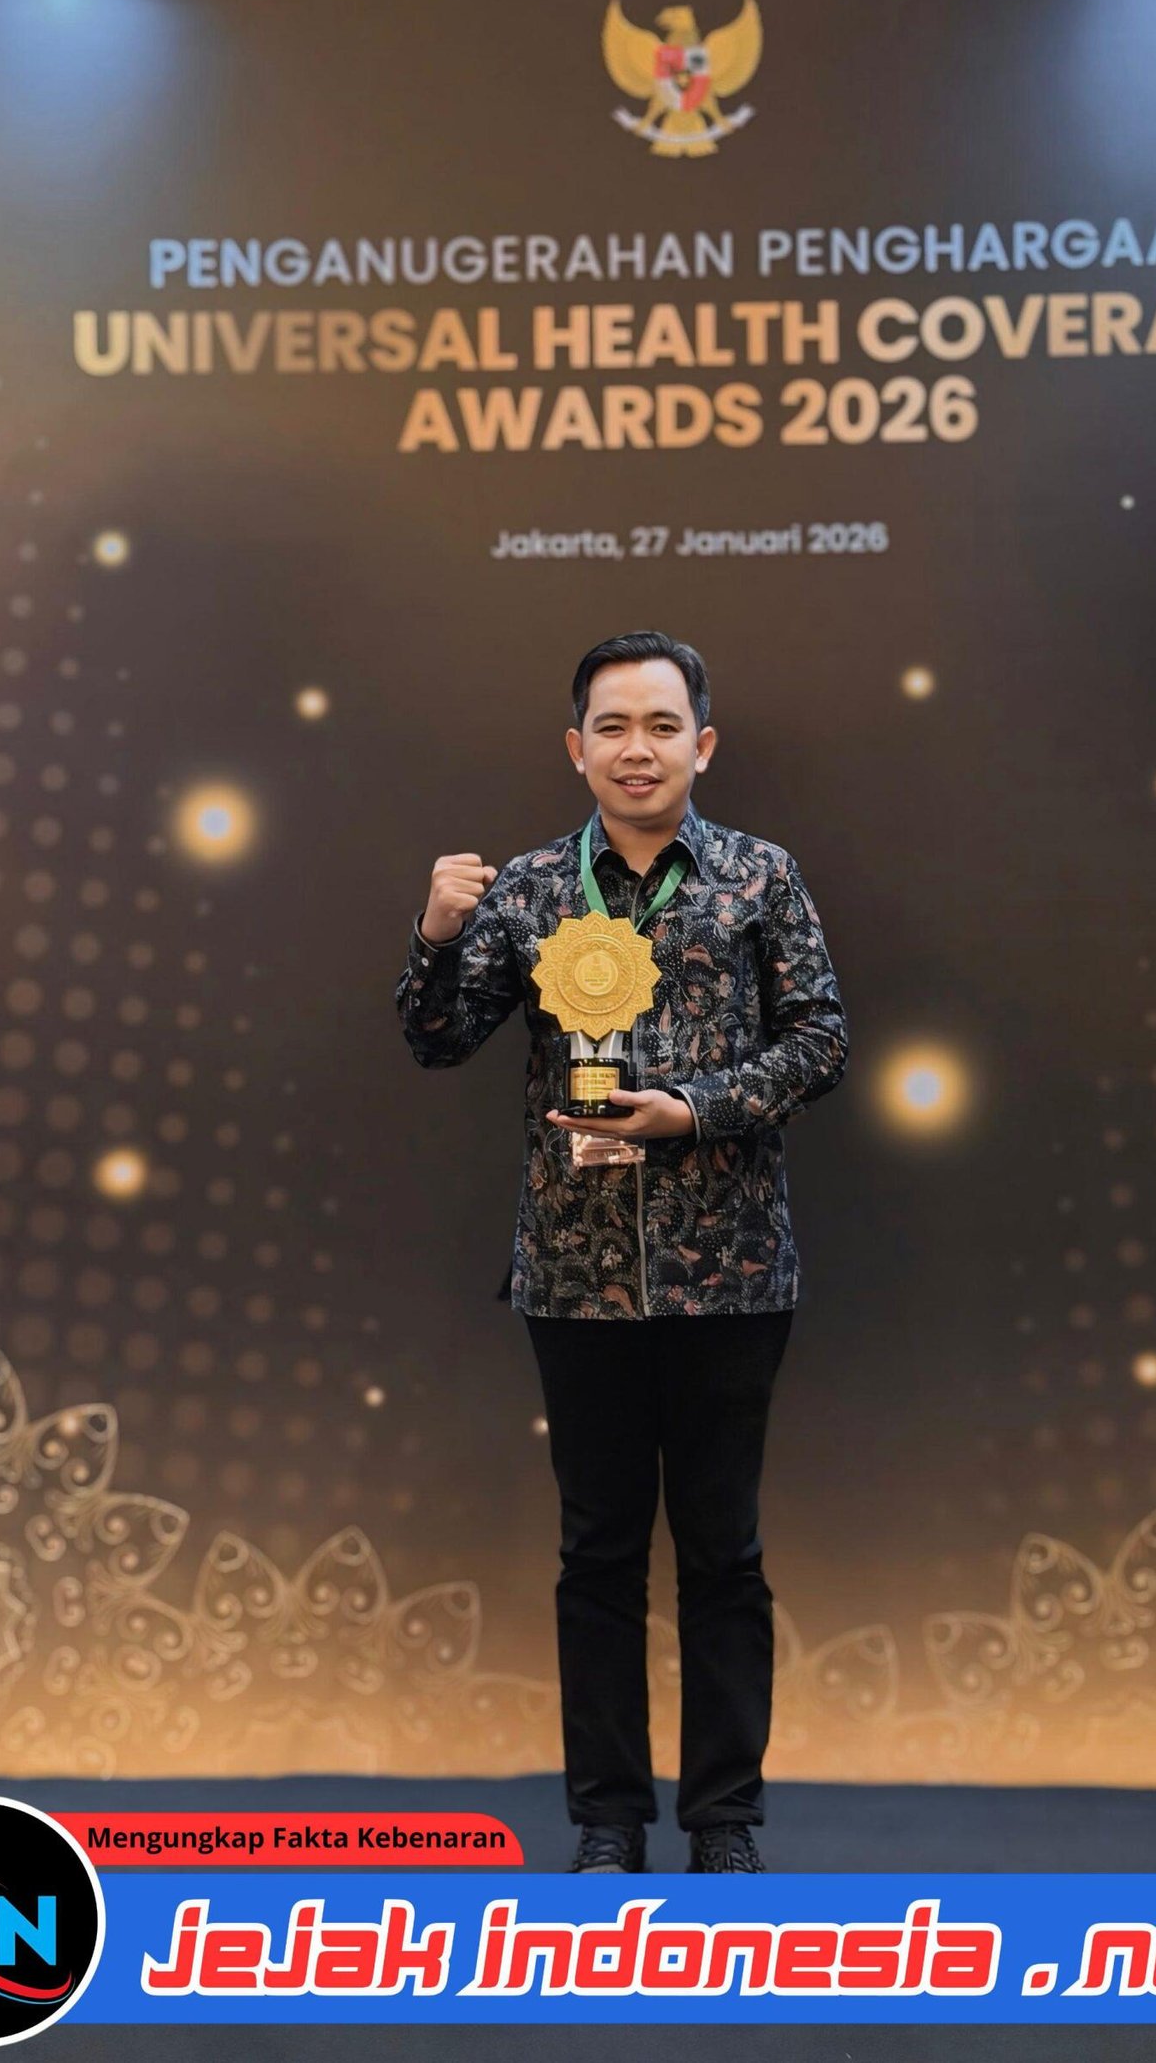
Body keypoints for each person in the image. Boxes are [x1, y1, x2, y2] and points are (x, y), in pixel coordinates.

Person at [396, 632, 847, 1875]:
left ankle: (724, 1822)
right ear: (575, 746)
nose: (635, 749)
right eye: (611, 726)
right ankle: (606, 1819)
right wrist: (436, 932)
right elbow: (438, 1038)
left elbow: (820, 1040)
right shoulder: (531, 888)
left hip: (731, 1271)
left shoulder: (759, 876)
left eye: (659, 724)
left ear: (702, 742)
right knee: (595, 1554)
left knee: (722, 1553)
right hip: (575, 1271)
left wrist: (692, 1110)